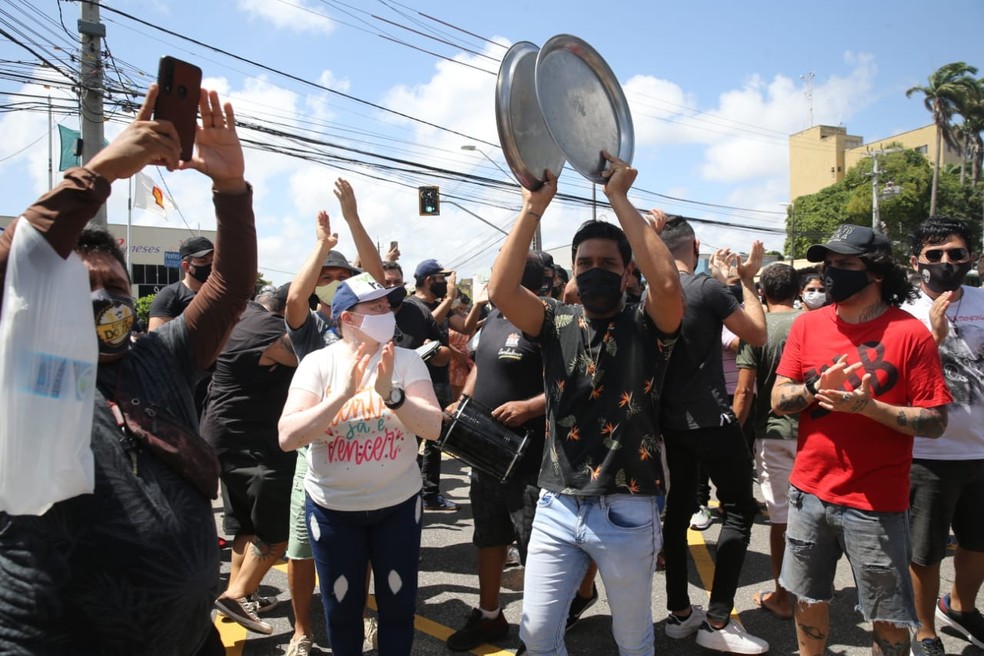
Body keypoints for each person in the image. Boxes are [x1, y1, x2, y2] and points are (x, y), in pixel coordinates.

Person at [0, 84, 255, 655]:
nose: (96, 300)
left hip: (189, 639)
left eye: (112, 286)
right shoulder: (17, 369)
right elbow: (21, 262)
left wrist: (232, 189)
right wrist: (103, 171)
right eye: (77, 287)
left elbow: (232, 286)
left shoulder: (162, 357)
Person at [489, 153, 684, 656]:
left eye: (609, 264)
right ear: (571, 271)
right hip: (556, 501)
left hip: (628, 505)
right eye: (585, 264)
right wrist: (533, 208)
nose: (596, 271)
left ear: (626, 273)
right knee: (535, 633)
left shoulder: (649, 325)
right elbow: (501, 289)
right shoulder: (554, 322)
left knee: (632, 636)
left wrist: (619, 198)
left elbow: (666, 284)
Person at [771, 223, 952, 656]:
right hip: (808, 494)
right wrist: (814, 390)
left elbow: (935, 420)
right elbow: (779, 398)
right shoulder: (807, 326)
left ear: (875, 273)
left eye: (845, 264)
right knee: (808, 598)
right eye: (828, 263)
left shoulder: (909, 334)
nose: (832, 272)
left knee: (888, 614)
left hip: (877, 502)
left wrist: (871, 409)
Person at [279, 272, 443, 656]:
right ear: (347, 318)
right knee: (341, 610)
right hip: (333, 510)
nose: (388, 312)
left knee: (399, 609)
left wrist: (392, 394)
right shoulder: (318, 364)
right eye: (376, 306)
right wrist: (341, 396)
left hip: (398, 507)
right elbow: (288, 436)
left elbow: (433, 427)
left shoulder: (406, 360)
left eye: (388, 305)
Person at [657, 218, 770, 654]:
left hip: (670, 422)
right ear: (696, 245)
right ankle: (718, 618)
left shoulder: (650, 291)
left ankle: (679, 613)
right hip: (710, 418)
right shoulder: (706, 288)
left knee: (678, 508)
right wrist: (744, 282)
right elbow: (756, 333)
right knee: (740, 509)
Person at [281, 183, 385, 656]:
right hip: (317, 454)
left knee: (360, 549)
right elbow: (293, 303)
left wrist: (354, 218)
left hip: (371, 451)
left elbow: (377, 275)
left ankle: (362, 616)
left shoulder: (369, 323)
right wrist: (321, 245)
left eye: (342, 273)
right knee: (301, 549)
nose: (335, 279)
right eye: (328, 274)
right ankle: (302, 632)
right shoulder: (312, 332)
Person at [446, 252, 548, 652]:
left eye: (498, 272)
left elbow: (573, 382)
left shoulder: (547, 320)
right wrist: (463, 402)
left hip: (530, 457)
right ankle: (490, 617)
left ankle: (540, 629)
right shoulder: (492, 319)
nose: (490, 279)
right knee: (488, 536)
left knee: (534, 545)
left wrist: (530, 407)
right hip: (487, 452)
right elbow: (478, 368)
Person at [902, 216, 984, 655]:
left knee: (977, 542)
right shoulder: (902, 313)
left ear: (972, 257)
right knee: (925, 550)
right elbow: (892, 381)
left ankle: (960, 607)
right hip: (929, 452)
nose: (946, 262)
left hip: (982, 450)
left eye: (956, 253)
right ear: (917, 262)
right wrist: (931, 340)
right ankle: (924, 630)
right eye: (935, 255)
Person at [202, 283, 299, 635]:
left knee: (245, 525)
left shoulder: (240, 321)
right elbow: (307, 354)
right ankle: (237, 593)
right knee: (277, 531)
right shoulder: (270, 331)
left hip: (225, 438)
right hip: (254, 445)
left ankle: (243, 593)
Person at [733, 262, 801, 621]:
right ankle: (811, 593)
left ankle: (783, 596)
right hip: (815, 434)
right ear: (800, 289)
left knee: (782, 520)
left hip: (774, 433)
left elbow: (744, 391)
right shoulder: (812, 323)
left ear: (763, 292)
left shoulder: (757, 329)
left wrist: (730, 435)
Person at [408, 258, 460, 511]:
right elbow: (422, 323)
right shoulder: (410, 306)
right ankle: (410, 493)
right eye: (441, 279)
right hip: (418, 383)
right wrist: (448, 302)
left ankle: (430, 494)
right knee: (413, 439)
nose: (444, 284)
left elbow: (467, 326)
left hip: (440, 381)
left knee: (436, 441)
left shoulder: (442, 306)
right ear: (429, 280)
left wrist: (480, 305)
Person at [148, 234, 214, 330]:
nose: (210, 266)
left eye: (213, 261)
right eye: (203, 261)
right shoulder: (169, 296)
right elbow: (157, 340)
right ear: (186, 266)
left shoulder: (220, 294)